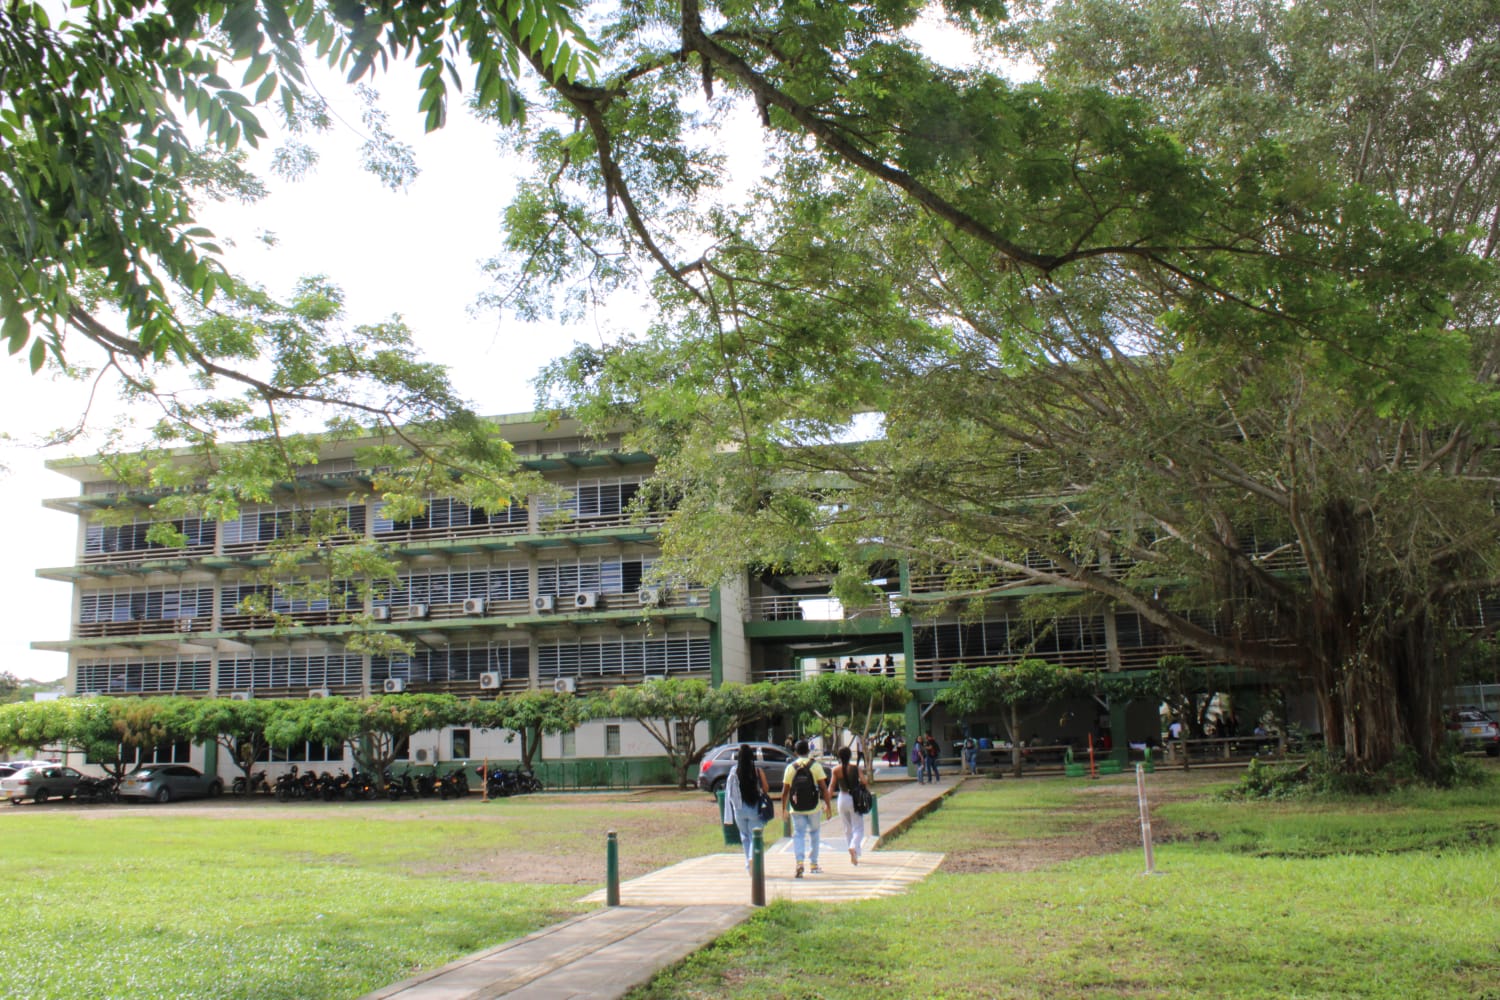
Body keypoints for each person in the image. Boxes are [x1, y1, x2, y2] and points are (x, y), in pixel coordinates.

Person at [781, 738, 833, 878]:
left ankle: (799, 862)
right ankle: (814, 864)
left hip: (796, 808)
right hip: (813, 807)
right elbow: (823, 788)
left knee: (798, 834)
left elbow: (785, 791)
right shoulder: (815, 766)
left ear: (796, 752)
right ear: (808, 751)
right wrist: (828, 806)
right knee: (814, 833)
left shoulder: (790, 768)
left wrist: (783, 810)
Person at [723, 743, 771, 871]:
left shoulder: (734, 771)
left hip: (739, 809)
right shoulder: (757, 770)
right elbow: (766, 788)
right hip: (754, 807)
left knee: (744, 836)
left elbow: (729, 792)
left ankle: (748, 865)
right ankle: (752, 858)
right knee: (755, 836)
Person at [828, 745, 870, 866]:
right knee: (858, 828)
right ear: (850, 755)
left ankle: (853, 854)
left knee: (847, 828)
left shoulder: (835, 770)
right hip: (854, 798)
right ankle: (853, 847)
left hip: (842, 798)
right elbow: (864, 781)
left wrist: (827, 803)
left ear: (839, 757)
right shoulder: (855, 768)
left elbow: (831, 786)